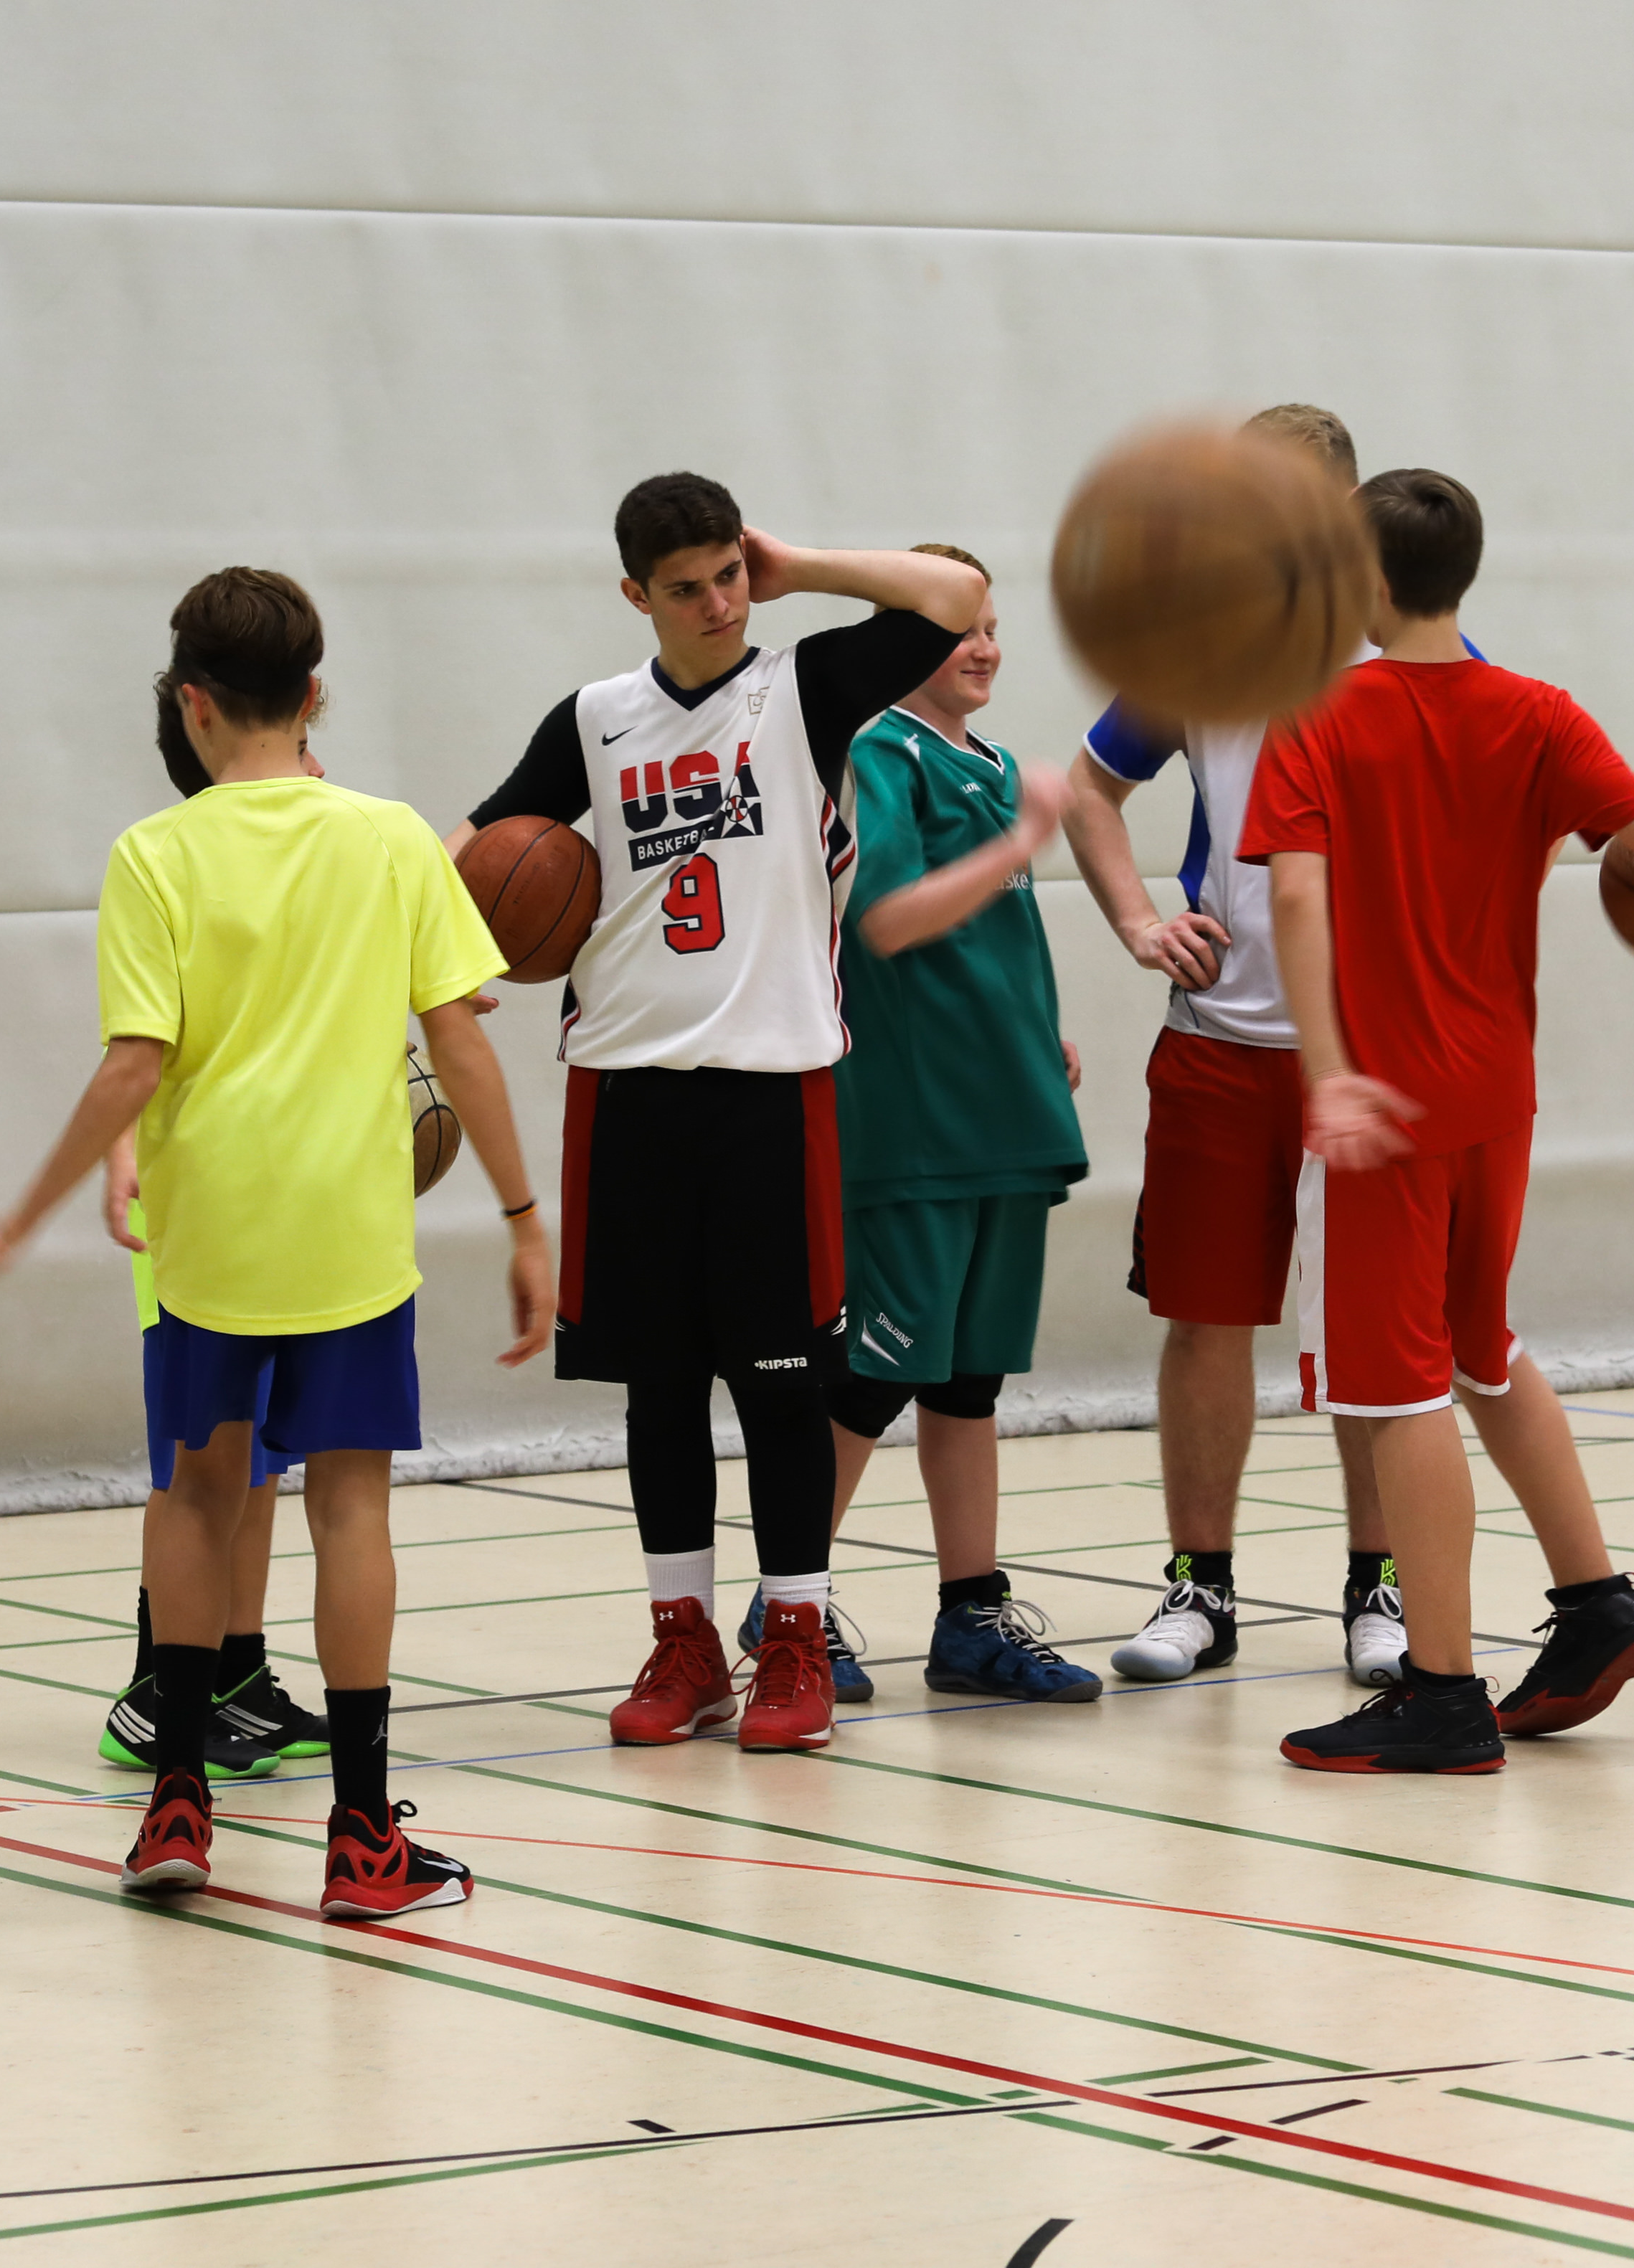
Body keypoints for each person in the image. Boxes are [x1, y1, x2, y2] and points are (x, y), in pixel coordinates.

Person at [0, 566, 550, 1909]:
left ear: (192, 703)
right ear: (315, 693)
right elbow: (461, 1042)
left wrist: (14, 1223)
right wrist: (523, 1218)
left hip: (208, 1238)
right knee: (350, 1507)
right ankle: (361, 1838)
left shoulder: (154, 854)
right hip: (348, 1236)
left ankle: (176, 1804)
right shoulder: (391, 836)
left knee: (195, 1497)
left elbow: (133, 1064)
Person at [1244, 471, 1634, 1773]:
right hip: (1495, 1092)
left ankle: (1442, 1692)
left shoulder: (1313, 713)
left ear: (1364, 582)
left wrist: (1327, 1070)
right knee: (1482, 1350)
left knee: (1401, 1392)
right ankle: (1598, 1601)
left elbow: (1299, 904)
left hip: (1384, 1101)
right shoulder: (1539, 712)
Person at [450, 474, 986, 1755]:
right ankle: (683, 1641)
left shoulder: (805, 688)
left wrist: (800, 564)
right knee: (659, 1387)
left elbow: (957, 593)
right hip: (624, 1087)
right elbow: (474, 842)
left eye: (729, 576)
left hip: (772, 1084)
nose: (717, 604)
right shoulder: (594, 719)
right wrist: (443, 949)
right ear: (634, 594)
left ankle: (793, 1637)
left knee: (783, 1381)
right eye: (685, 588)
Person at [1064, 405, 1410, 1689]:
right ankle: (1199, 1587)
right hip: (1219, 1038)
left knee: (1373, 1334)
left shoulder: (1411, 654)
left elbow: (1513, 818)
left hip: (1365, 1053)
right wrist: (1138, 921)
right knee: (1207, 1322)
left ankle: (1380, 1586)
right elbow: (1091, 790)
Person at [822, 544, 1100, 1706]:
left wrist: (1039, 1031)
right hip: (917, 1123)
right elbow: (887, 918)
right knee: (872, 1376)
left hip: (1004, 1112)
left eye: (991, 625)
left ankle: (971, 1617)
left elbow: (990, 939)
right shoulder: (881, 750)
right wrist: (1024, 842)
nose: (984, 646)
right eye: (958, 627)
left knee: (969, 1382)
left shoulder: (986, 761)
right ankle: (787, 1606)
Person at [89, 684, 325, 1785]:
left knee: (259, 1466)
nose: (312, 764)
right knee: (196, 1470)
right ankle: (154, 1689)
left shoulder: (307, 872)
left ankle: (238, 1667)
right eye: (303, 745)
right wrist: (119, 1149)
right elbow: (134, 1049)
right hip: (192, 1221)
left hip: (280, 1216)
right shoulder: (175, 865)